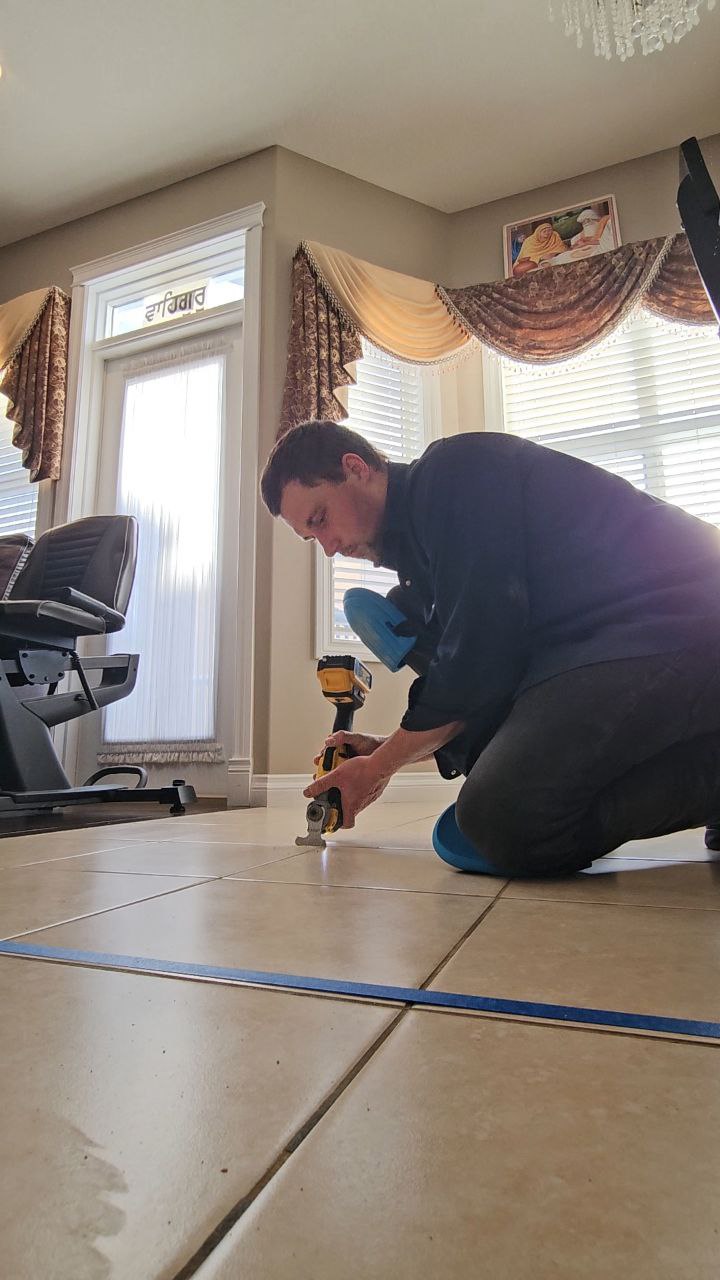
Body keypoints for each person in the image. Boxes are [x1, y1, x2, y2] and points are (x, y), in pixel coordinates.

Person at [260, 420, 720, 878]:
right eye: (311, 537)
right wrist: (386, 749)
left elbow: (479, 656)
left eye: (320, 520)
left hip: (681, 620)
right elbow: (494, 676)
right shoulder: (423, 557)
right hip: (595, 647)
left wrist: (381, 765)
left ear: (356, 468)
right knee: (491, 769)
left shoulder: (455, 473)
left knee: (503, 817)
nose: (328, 548)